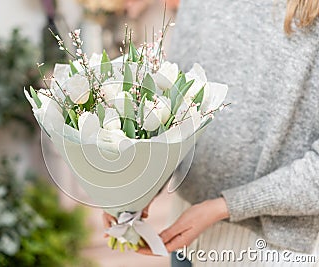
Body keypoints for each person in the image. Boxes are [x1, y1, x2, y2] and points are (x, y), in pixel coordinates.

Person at [103, 0, 319, 266]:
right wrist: (145, 184)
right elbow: (175, 104)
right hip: (189, 230)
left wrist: (226, 206)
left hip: (272, 248)